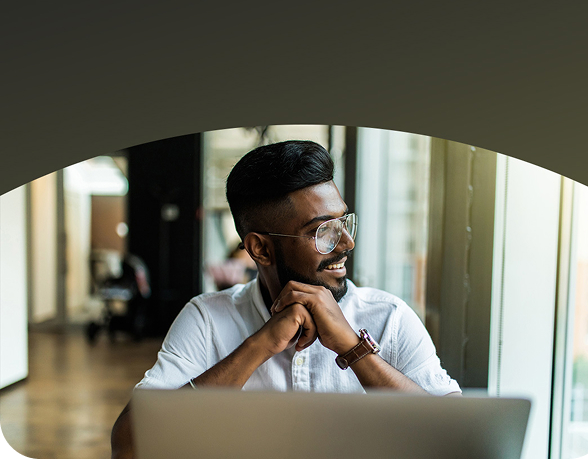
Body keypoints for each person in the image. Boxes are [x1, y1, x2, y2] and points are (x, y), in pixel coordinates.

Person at [111, 140, 461, 459]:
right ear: (260, 248)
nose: (345, 244)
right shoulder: (207, 318)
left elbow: (457, 442)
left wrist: (354, 348)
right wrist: (262, 343)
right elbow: (129, 446)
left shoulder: (390, 317)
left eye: (343, 223)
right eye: (322, 231)